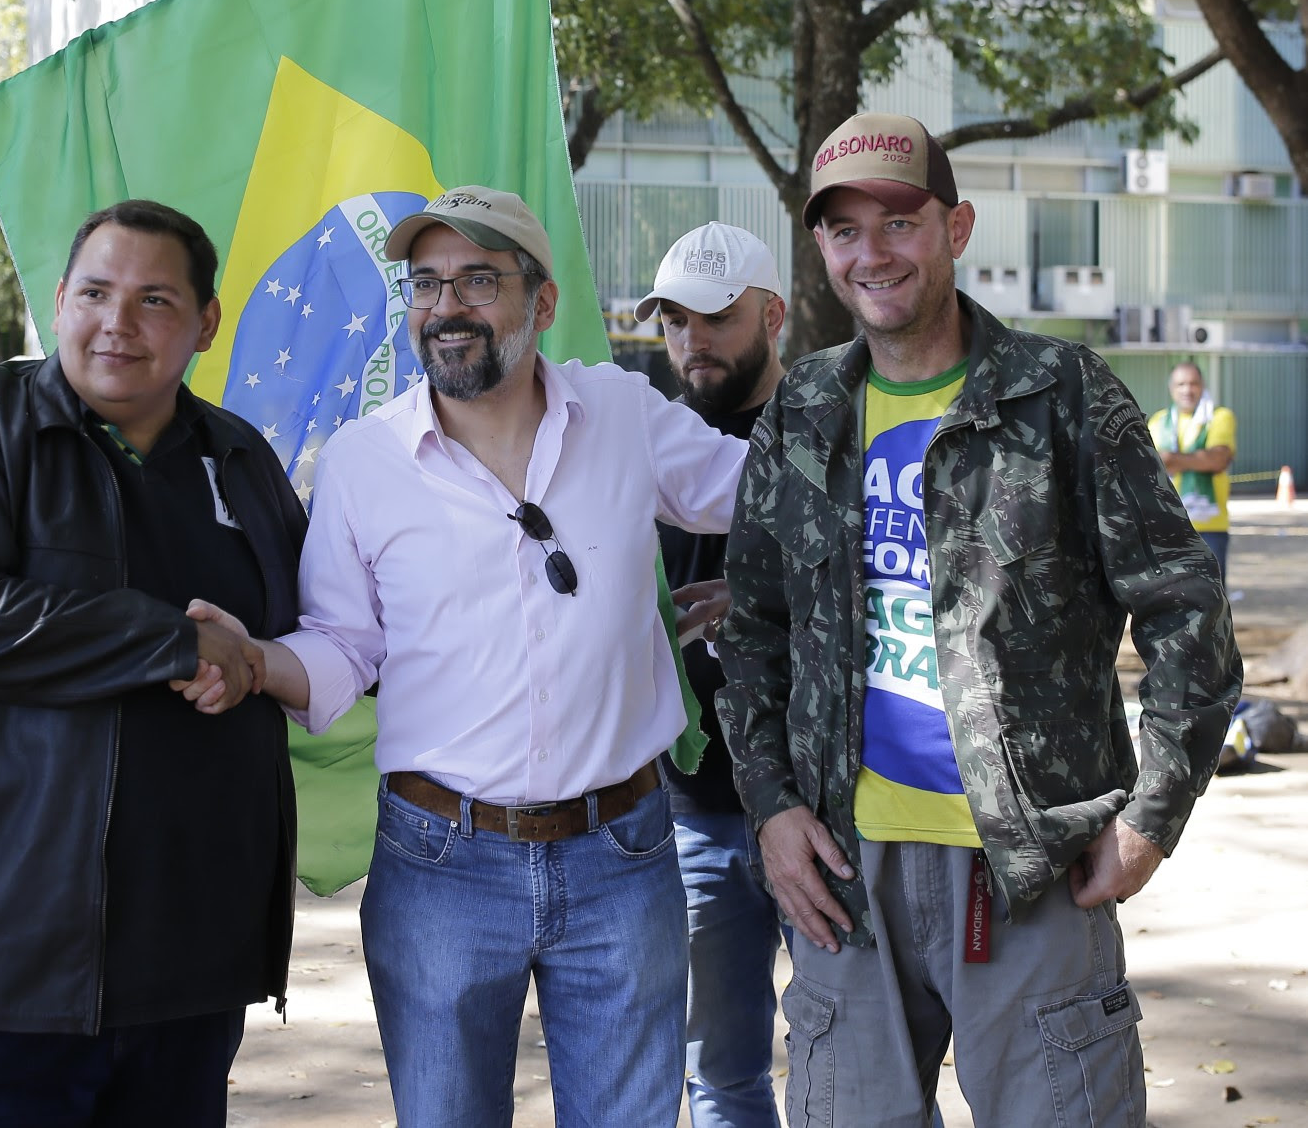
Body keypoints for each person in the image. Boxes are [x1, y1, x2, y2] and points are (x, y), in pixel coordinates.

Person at [719, 112, 1242, 1127]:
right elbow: (751, 629)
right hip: (843, 878)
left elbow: (1186, 607)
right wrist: (772, 808)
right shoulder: (802, 409)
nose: (870, 253)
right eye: (842, 231)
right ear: (819, 248)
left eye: (898, 221)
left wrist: (1151, 816)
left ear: (955, 228)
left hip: (1031, 872)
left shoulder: (1060, 394)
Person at [212, 185, 747, 1125]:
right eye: (426, 284)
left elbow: (768, 499)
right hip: (440, 865)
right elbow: (341, 644)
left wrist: (761, 589)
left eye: (477, 281)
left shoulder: (623, 412)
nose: (445, 308)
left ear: (540, 304)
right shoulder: (363, 461)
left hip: (624, 854)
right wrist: (255, 663)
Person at [0, 200, 303, 1127]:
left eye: (154, 300)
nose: (118, 323)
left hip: (186, 965)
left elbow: (297, 635)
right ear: (59, 299)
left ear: (205, 321)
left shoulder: (241, 459)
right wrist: (168, 641)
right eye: (96, 293)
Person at [636, 220, 789, 1128]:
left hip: (824, 812)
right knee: (721, 1078)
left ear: (772, 313)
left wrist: (759, 592)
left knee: (860, 1062)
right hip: (688, 810)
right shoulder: (633, 443)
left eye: (717, 318)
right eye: (672, 322)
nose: (692, 341)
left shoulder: (830, 433)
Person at [1149, 361, 1237, 581]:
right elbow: (1149, 466)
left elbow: (1218, 459)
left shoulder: (1219, 417)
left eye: (1193, 383)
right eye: (1181, 384)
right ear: (1171, 388)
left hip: (1210, 526)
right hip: (1168, 525)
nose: (1187, 390)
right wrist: (1197, 459)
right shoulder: (1158, 421)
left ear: (1203, 386)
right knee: (1172, 597)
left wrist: (1170, 459)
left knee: (1213, 598)